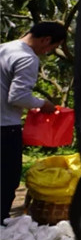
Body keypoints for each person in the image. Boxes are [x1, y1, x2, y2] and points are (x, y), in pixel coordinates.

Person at [0, 21, 67, 224]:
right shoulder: (27, 58)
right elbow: (18, 96)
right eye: (51, 47)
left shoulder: (4, 48)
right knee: (6, 180)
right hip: (5, 127)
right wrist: (42, 104)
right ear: (45, 40)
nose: (47, 52)